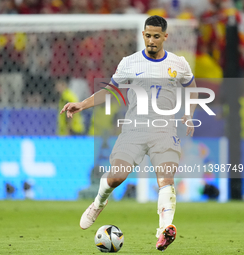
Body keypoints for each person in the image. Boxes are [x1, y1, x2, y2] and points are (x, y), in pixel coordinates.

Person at [60, 15, 198, 251]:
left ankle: (165, 229)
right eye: (148, 35)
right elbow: (110, 91)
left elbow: (192, 87)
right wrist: (82, 104)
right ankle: (98, 203)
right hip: (133, 130)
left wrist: (189, 113)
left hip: (164, 131)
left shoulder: (178, 64)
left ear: (165, 37)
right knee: (116, 177)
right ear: (143, 35)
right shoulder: (129, 63)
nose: (151, 40)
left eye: (156, 36)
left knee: (166, 179)